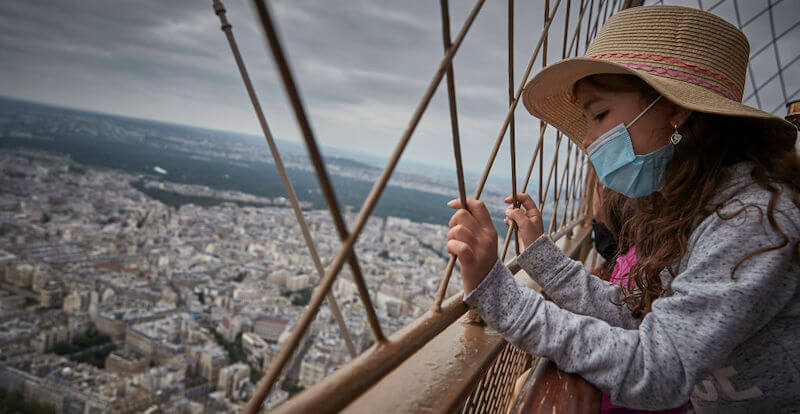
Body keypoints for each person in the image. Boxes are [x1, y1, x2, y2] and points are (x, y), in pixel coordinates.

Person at [445, 5, 799, 413]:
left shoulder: (753, 220)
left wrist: (497, 294)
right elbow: (638, 316)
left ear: (676, 109)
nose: (590, 138)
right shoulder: (712, 207)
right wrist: (541, 259)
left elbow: (660, 366)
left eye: (599, 114)